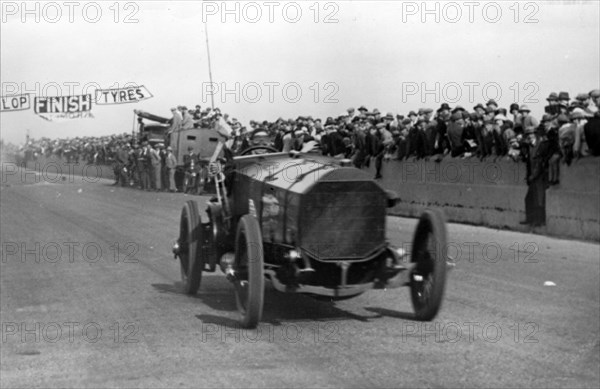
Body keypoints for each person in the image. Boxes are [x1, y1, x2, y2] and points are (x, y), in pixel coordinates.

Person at [522, 126, 550, 227]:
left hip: (539, 176)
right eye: (528, 135)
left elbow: (540, 163)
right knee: (531, 198)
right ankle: (531, 219)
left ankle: (539, 221)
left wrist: (533, 175)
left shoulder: (540, 145)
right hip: (534, 176)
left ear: (535, 135)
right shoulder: (530, 146)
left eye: (531, 134)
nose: (529, 136)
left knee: (539, 199)